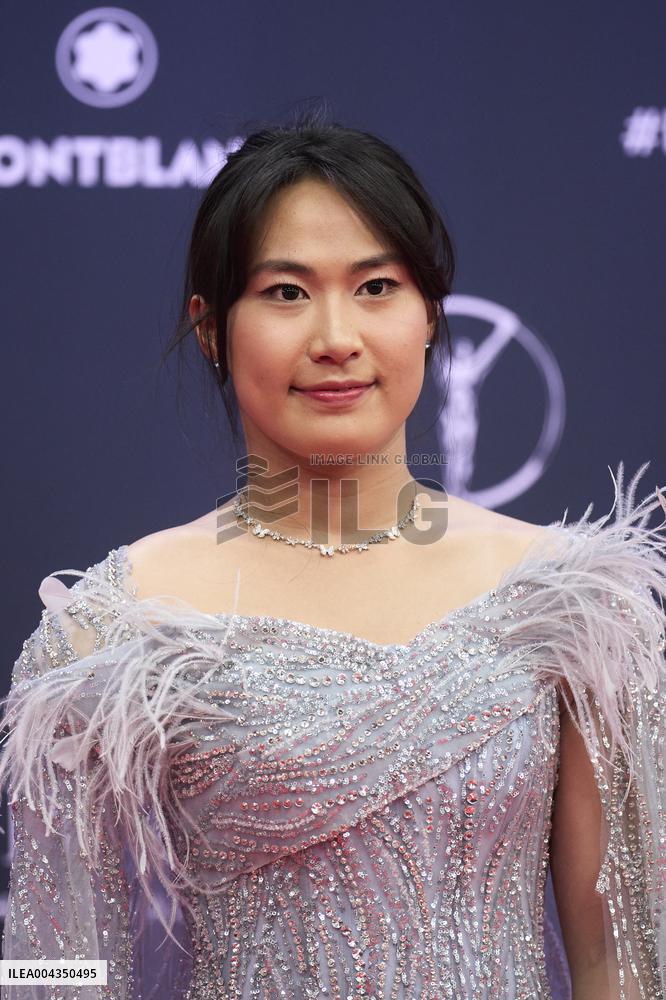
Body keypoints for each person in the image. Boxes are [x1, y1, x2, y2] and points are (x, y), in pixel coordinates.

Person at [0, 110, 664, 1000]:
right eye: (285, 293)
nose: (336, 337)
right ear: (209, 329)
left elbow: (620, 958)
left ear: (429, 314)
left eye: (377, 287)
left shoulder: (569, 605)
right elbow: (55, 965)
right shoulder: (117, 627)